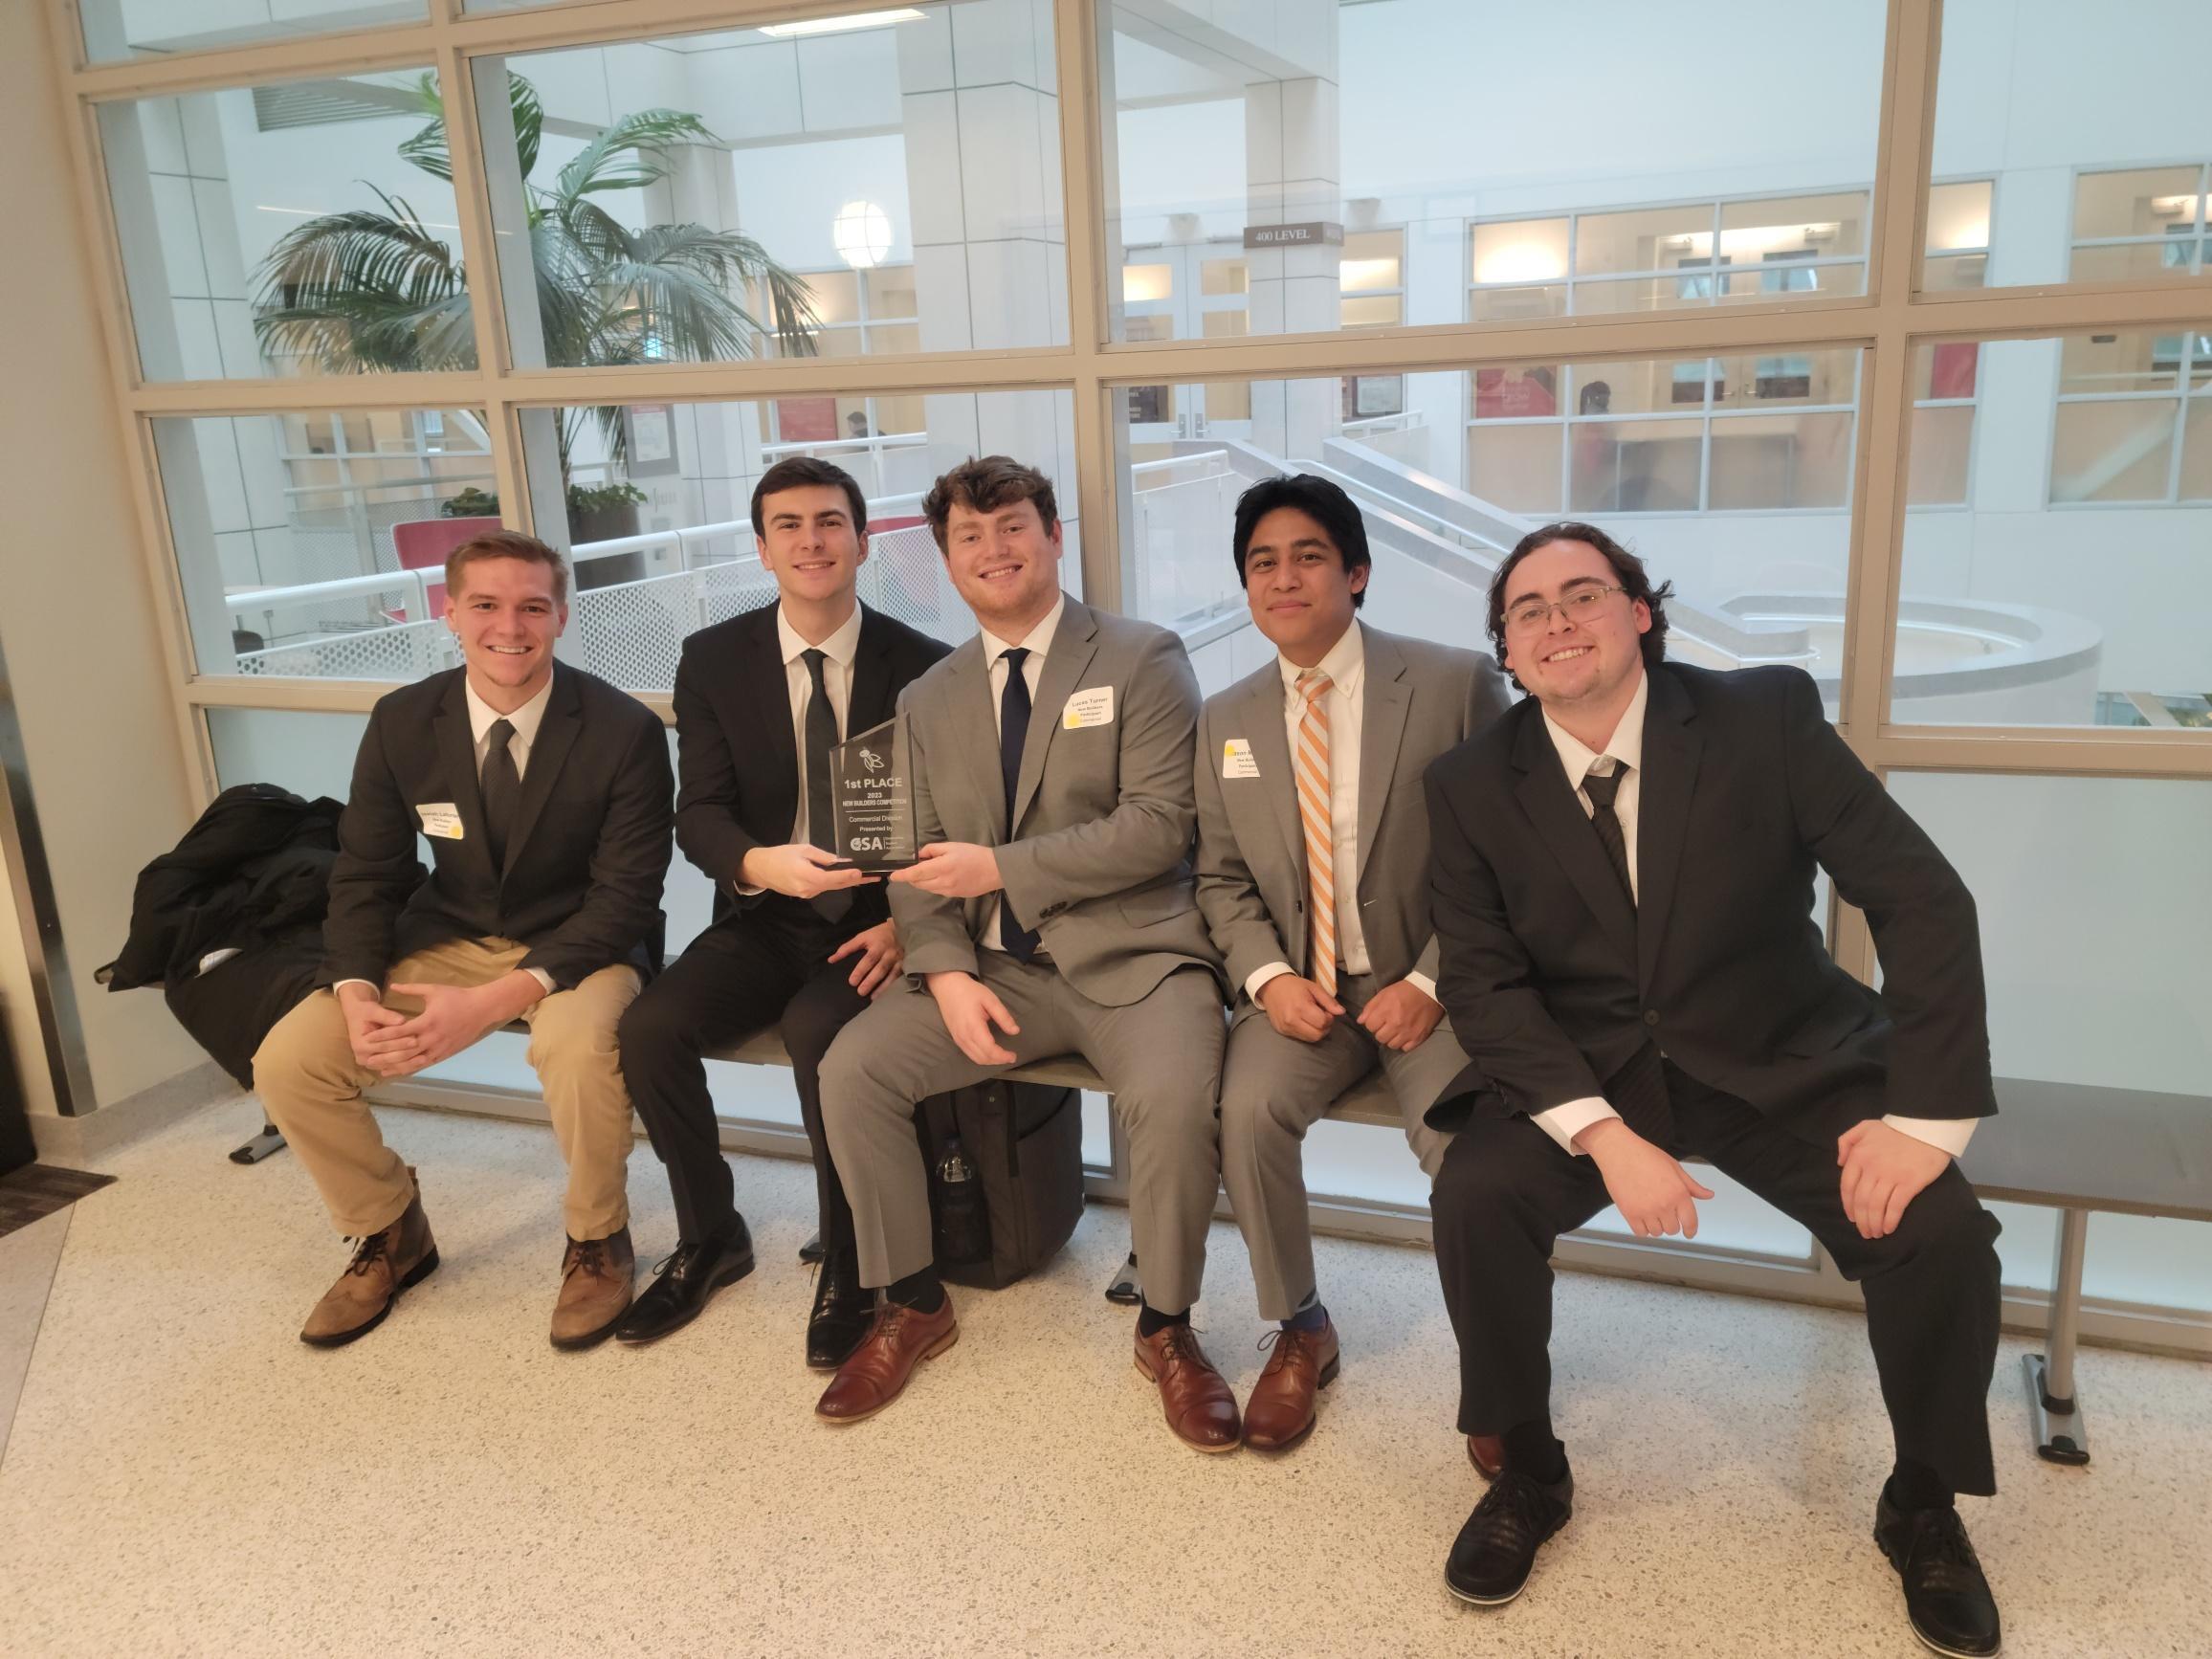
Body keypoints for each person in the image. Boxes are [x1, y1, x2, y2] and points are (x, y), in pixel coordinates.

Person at [1422, 521, 2004, 1656]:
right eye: (1526, 610)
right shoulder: (1469, 784)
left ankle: (1921, 1505)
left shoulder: (1761, 718)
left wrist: (1924, 1122)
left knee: (1935, 1232)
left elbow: (1921, 899)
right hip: (1586, 1069)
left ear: (1639, 613)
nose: (1555, 621)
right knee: (1474, 1196)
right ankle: (1528, 1471)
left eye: (1582, 594)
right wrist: (1601, 1134)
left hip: (1775, 1050)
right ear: (1506, 650)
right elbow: (1482, 985)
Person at [813, 455, 1235, 1449]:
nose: (992, 549)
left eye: (1011, 526)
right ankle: (912, 1302)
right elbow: (916, 857)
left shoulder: (1141, 656)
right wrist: (946, 970)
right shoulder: (929, 694)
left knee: (1174, 1100)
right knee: (852, 1071)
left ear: (1052, 537)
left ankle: (1166, 1325)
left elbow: (1161, 825)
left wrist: (998, 868)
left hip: (1136, 961)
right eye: (969, 535)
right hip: (993, 967)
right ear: (946, 559)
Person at [254, 529, 673, 1350]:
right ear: (449, 613)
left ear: (561, 617)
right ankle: (390, 1226)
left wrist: (491, 1003)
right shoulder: (403, 721)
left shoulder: (623, 729)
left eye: (532, 607)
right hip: (448, 932)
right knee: (290, 1061)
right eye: (485, 604)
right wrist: (355, 988)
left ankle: (597, 1238)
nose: (508, 627)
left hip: (583, 943)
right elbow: (367, 874)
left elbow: (625, 897)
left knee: (578, 1048)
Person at [1192, 474, 1510, 1455]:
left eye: (1308, 556)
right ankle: (1301, 1327)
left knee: (1466, 1155)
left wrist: (1430, 982)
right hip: (1304, 990)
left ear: (1357, 572)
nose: (1283, 578)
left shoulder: (1453, 684)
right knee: (1247, 1112)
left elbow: (1510, 856)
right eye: (1262, 563)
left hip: (1432, 983)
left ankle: (1501, 1372)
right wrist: (1268, 979)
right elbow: (1219, 878)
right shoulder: (1225, 717)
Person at [612, 457, 950, 1360]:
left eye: (830, 522)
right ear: (762, 550)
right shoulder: (713, 660)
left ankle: (850, 1254)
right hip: (765, 912)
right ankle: (710, 1234)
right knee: (648, 1030)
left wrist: (906, 922)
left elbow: (958, 820)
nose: (812, 541)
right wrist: (762, 864)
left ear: (863, 542)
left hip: (879, 924)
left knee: (817, 1034)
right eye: (789, 526)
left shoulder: (926, 667)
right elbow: (700, 813)